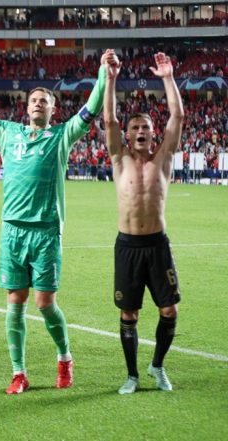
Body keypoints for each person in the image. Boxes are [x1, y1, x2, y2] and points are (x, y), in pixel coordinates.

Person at [0, 49, 113, 394]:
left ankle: (64, 358)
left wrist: (101, 72)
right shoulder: (9, 132)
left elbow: (92, 109)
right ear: (26, 108)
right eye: (34, 100)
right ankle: (19, 373)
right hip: (12, 231)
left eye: (45, 101)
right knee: (15, 302)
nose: (39, 103)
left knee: (44, 303)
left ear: (53, 110)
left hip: (46, 232)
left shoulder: (61, 137)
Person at [104, 51, 184, 394]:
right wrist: (110, 79)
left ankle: (157, 367)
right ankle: (132, 375)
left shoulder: (163, 158)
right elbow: (109, 120)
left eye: (145, 127)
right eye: (134, 127)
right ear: (128, 133)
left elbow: (177, 116)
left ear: (154, 134)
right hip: (128, 246)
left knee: (169, 308)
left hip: (157, 244)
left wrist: (167, 78)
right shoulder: (118, 157)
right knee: (129, 315)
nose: (139, 131)